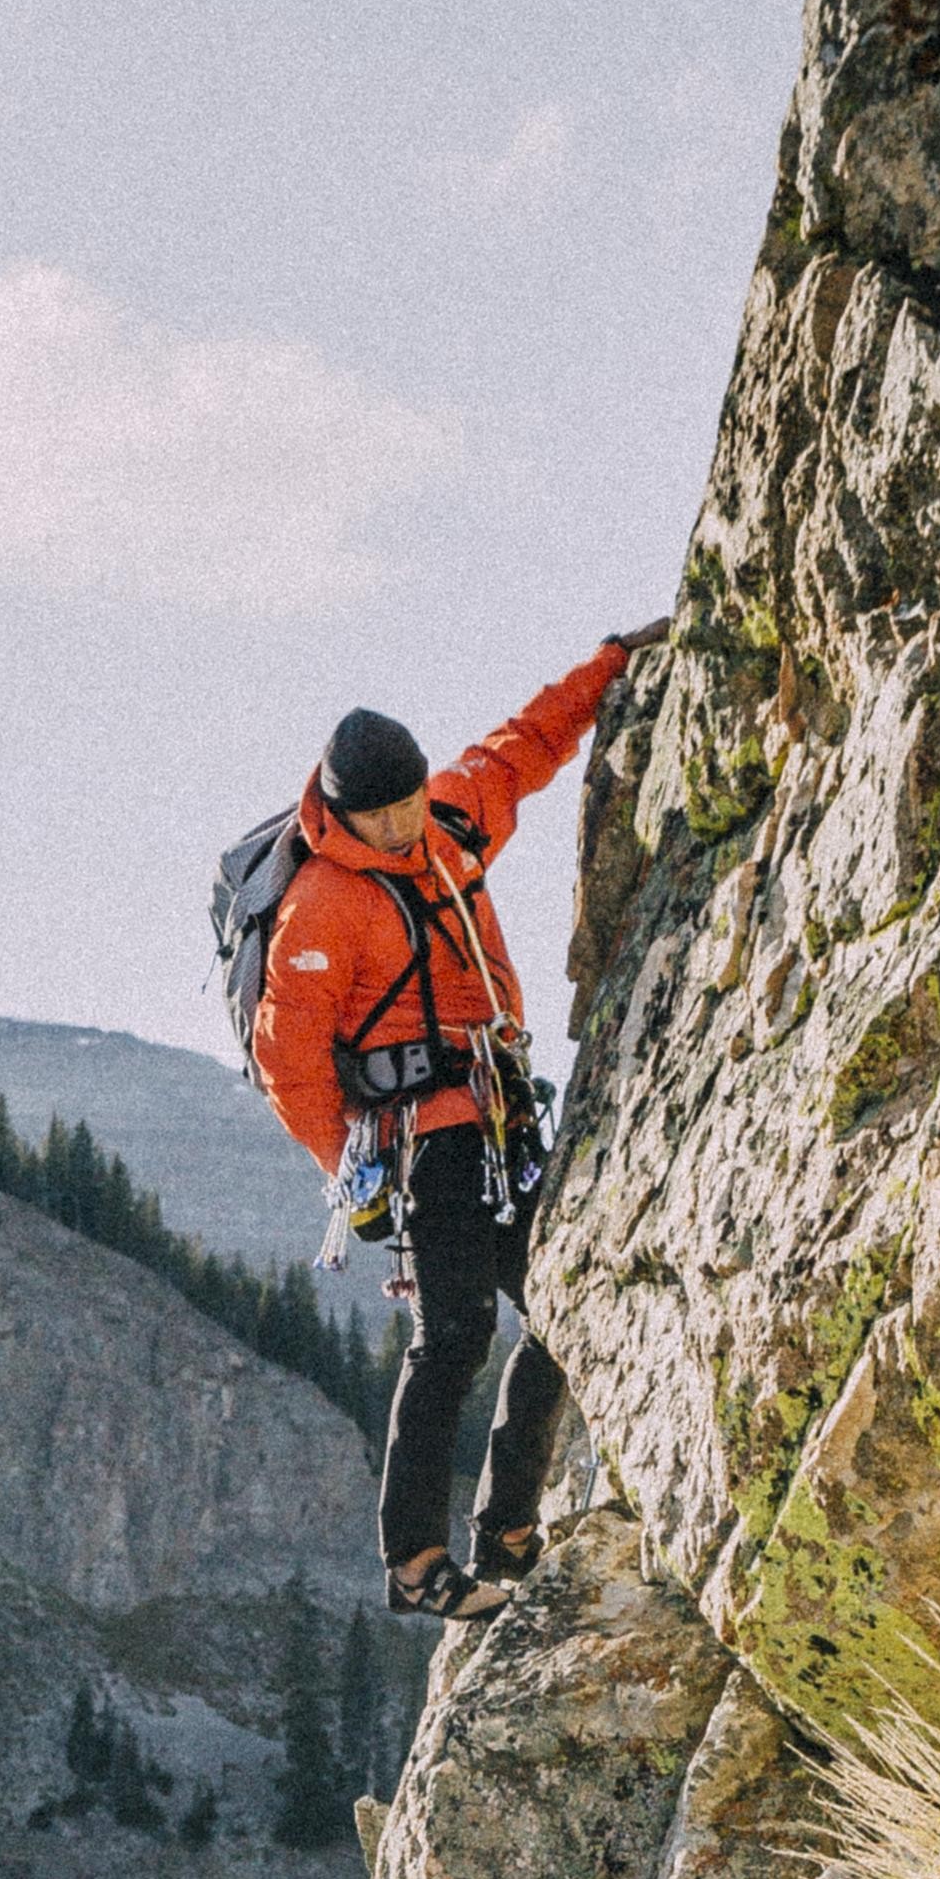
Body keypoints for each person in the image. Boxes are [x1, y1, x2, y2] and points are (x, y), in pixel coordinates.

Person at [248, 638, 639, 1621]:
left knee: (562, 1302)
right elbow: (287, 1065)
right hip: (425, 1140)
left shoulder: (451, 820)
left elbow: (523, 746)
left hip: (498, 1116)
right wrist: (354, 1178)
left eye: (406, 801)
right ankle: (416, 1563)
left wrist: (613, 662)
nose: (397, 822)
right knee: (455, 1331)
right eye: (377, 812)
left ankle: (507, 1525)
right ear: (338, 813)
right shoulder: (318, 909)